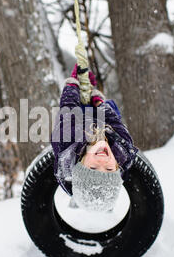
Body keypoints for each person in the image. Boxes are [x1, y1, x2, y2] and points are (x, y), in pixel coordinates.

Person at [51, 64, 138, 211]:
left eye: (93, 167)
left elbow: (68, 108)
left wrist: (73, 83)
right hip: (102, 124)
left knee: (76, 109)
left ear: (79, 166)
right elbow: (112, 119)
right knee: (111, 107)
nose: (103, 160)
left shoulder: (65, 143)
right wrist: (98, 100)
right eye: (109, 168)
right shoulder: (124, 150)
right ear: (117, 167)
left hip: (76, 124)